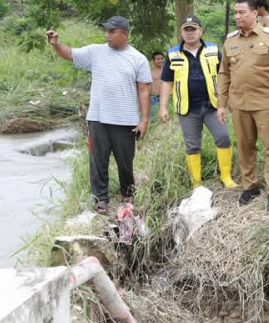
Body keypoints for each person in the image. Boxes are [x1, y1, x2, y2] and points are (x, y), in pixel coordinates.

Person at [46, 16, 152, 214]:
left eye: (112, 32)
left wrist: (144, 120)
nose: (108, 35)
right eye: (107, 31)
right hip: (98, 118)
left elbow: (144, 90)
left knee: (125, 161)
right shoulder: (96, 52)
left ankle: (127, 194)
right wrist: (56, 44)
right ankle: (100, 199)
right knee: (97, 160)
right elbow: (70, 54)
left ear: (125, 34)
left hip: (125, 120)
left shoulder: (138, 59)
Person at [217, 0, 269, 211]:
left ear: (254, 13)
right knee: (245, 147)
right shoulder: (230, 41)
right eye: (236, 13)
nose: (237, 16)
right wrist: (222, 103)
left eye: (242, 12)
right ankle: (250, 186)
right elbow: (224, 73)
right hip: (239, 104)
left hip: (265, 103)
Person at [159, 15, 237, 189]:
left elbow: (225, 76)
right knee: (192, 146)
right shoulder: (173, 54)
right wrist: (163, 107)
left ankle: (226, 177)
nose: (190, 33)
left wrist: (228, 99)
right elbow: (166, 82)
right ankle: (196, 183)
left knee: (223, 138)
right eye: (186, 30)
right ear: (181, 32)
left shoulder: (213, 50)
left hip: (213, 107)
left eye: (193, 29)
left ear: (200, 30)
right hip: (187, 109)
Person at [149, 51, 165, 119]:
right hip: (154, 98)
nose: (160, 60)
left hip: (165, 97)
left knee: (166, 116)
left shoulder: (166, 70)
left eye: (161, 58)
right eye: (158, 59)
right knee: (154, 117)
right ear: (153, 60)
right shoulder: (150, 72)